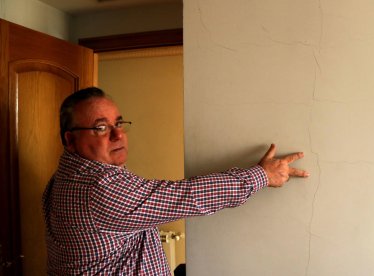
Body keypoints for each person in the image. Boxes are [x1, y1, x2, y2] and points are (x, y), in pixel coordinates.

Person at [42, 87, 309, 275]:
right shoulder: (98, 188)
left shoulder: (64, 178)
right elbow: (186, 196)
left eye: (119, 123)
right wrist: (262, 175)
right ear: (70, 140)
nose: (118, 135)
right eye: (101, 127)